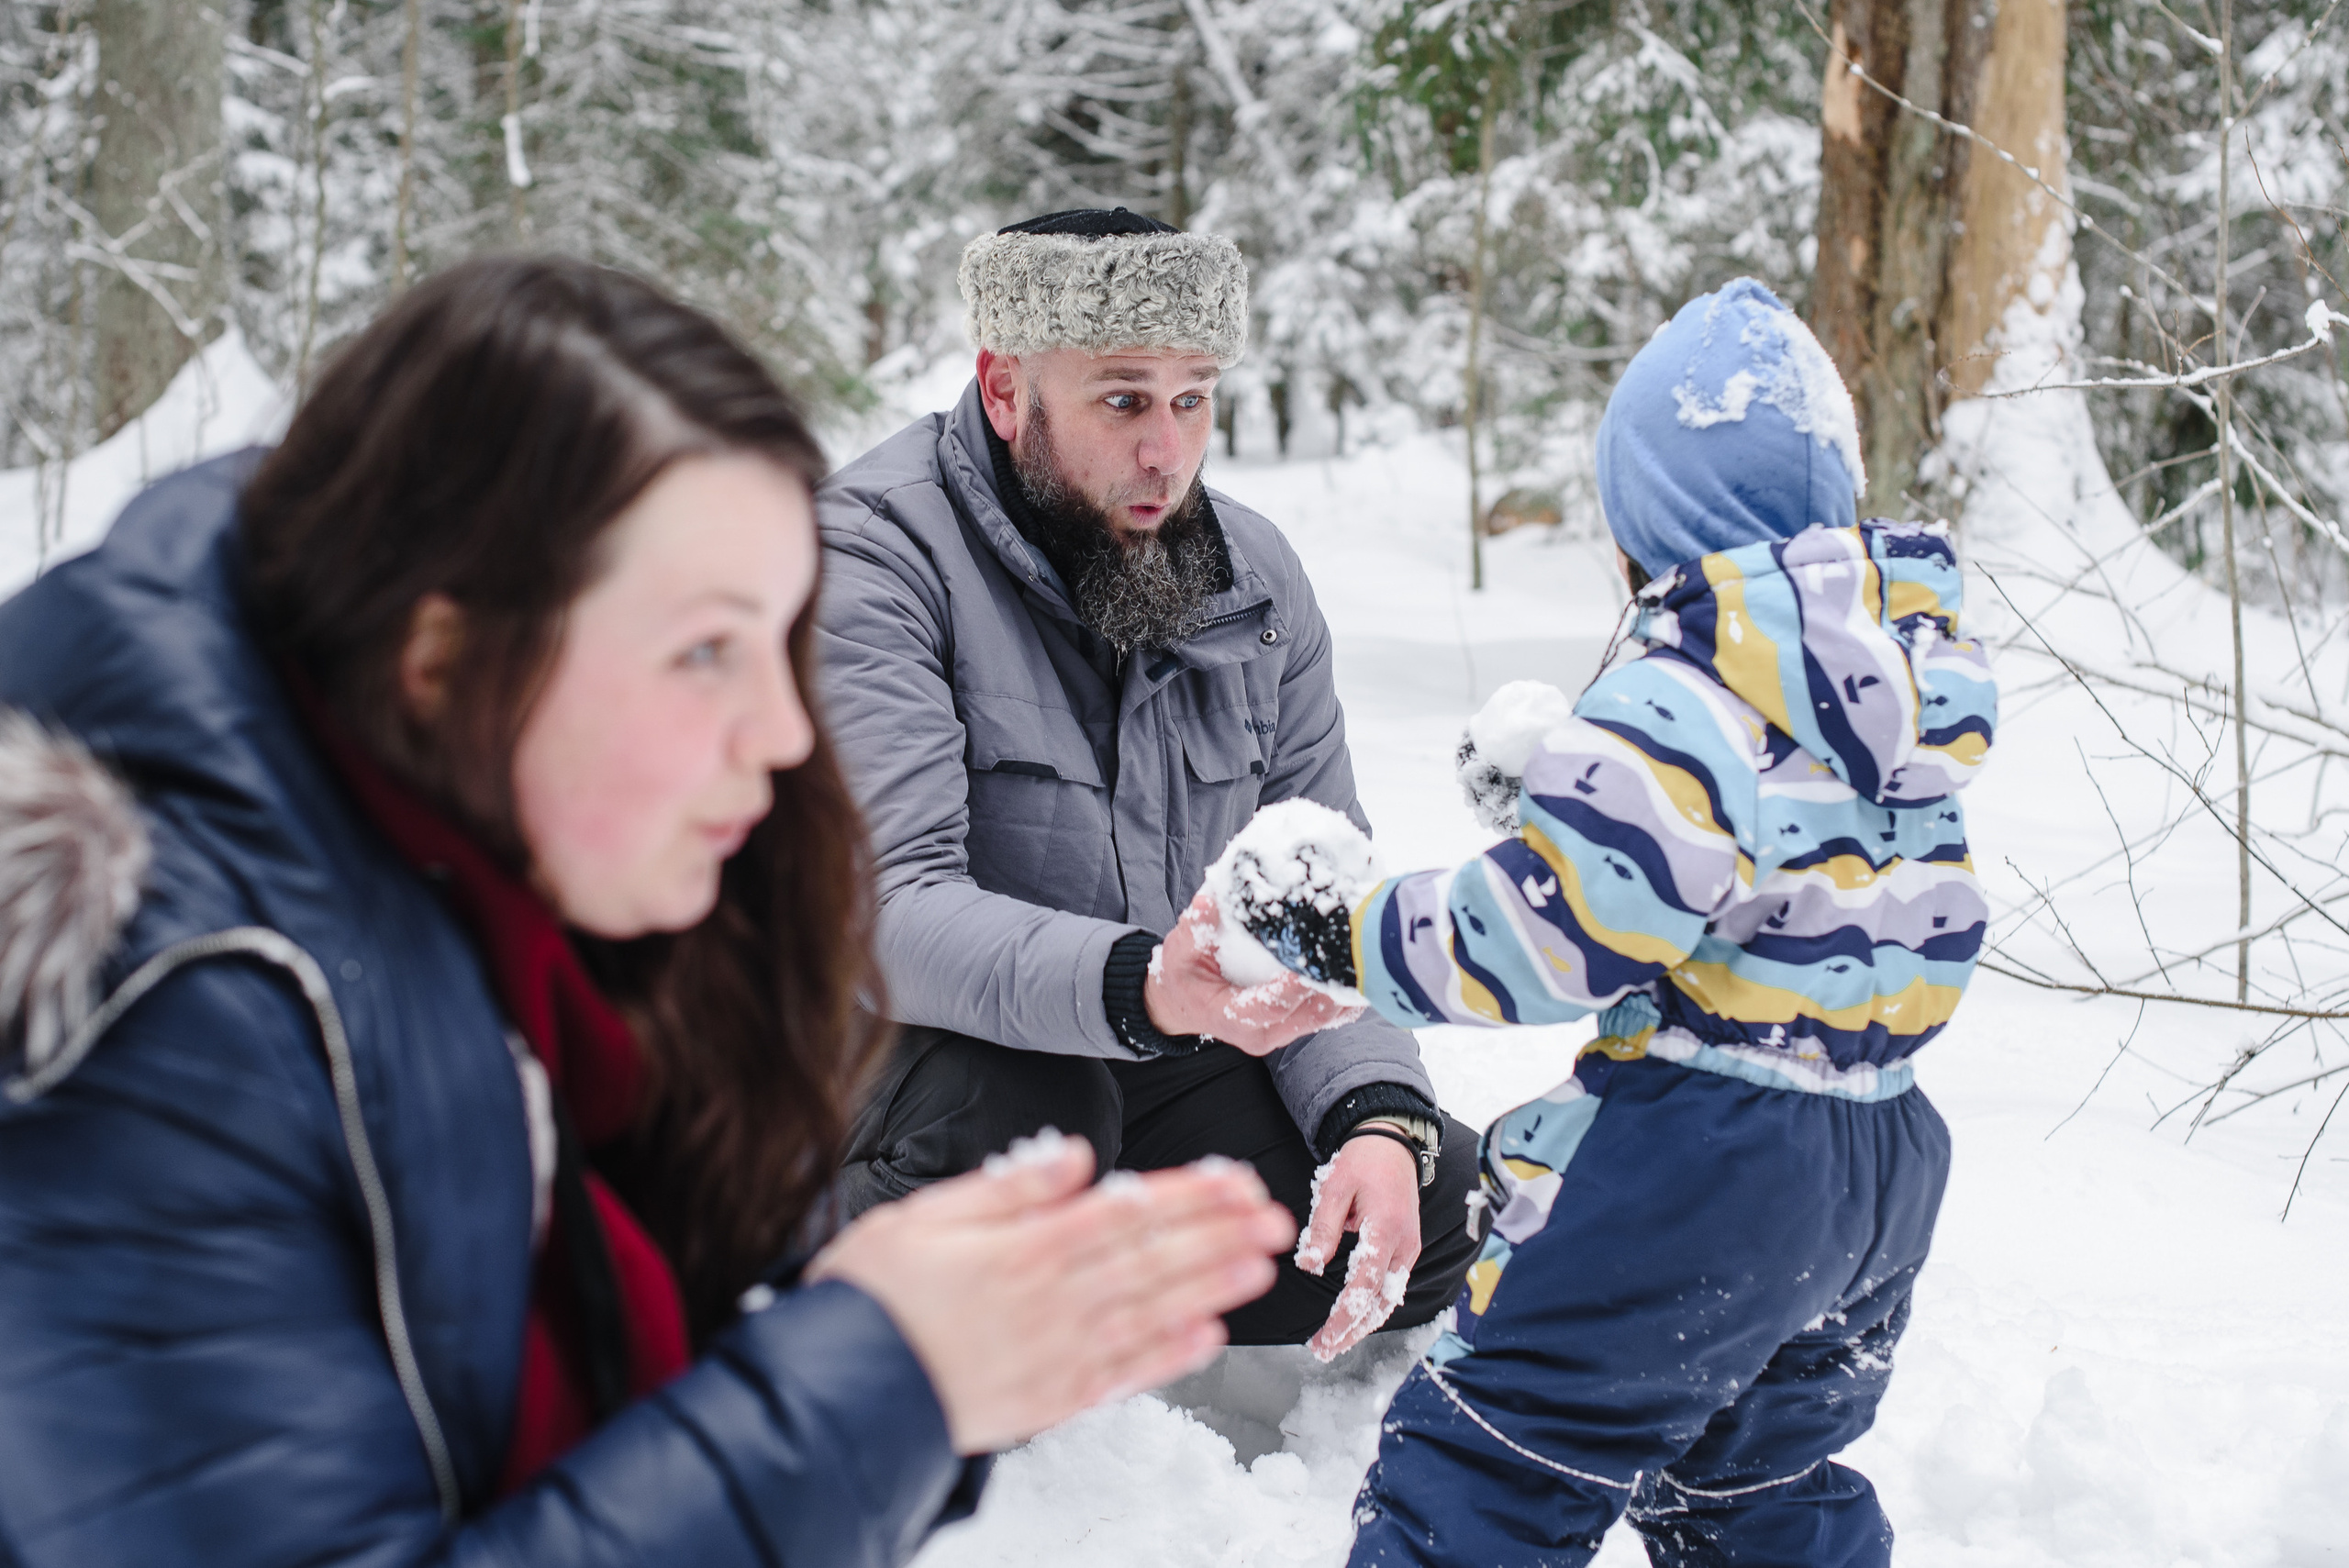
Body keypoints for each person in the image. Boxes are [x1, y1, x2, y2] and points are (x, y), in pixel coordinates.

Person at [0, 254, 1296, 1564]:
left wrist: (899, 1347)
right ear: (444, 657)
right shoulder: (170, 1027)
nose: (788, 735)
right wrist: (873, 1382)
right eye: (702, 651)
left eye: (780, 640)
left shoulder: (575, 897)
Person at [1221, 278, 1998, 1563]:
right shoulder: (1891, 689)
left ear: (1650, 522)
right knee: (1751, 1486)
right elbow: (1793, 871)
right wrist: (1562, 802)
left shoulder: (1684, 683)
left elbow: (1552, 942)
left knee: (1490, 1457)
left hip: (1706, 1163)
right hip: (1881, 1163)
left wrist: (1341, 932)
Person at [814, 206, 1480, 1360]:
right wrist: (1146, 987)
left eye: (1193, 397)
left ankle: (1061, 1287)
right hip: (869, 1058)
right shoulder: (872, 558)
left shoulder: (1255, 582)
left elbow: (1319, 904)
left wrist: (1375, 1112)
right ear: (1007, 387)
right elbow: (885, 914)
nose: (1166, 452)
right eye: (1122, 399)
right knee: (1025, 1118)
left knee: (1443, 1200)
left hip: (1130, 1044)